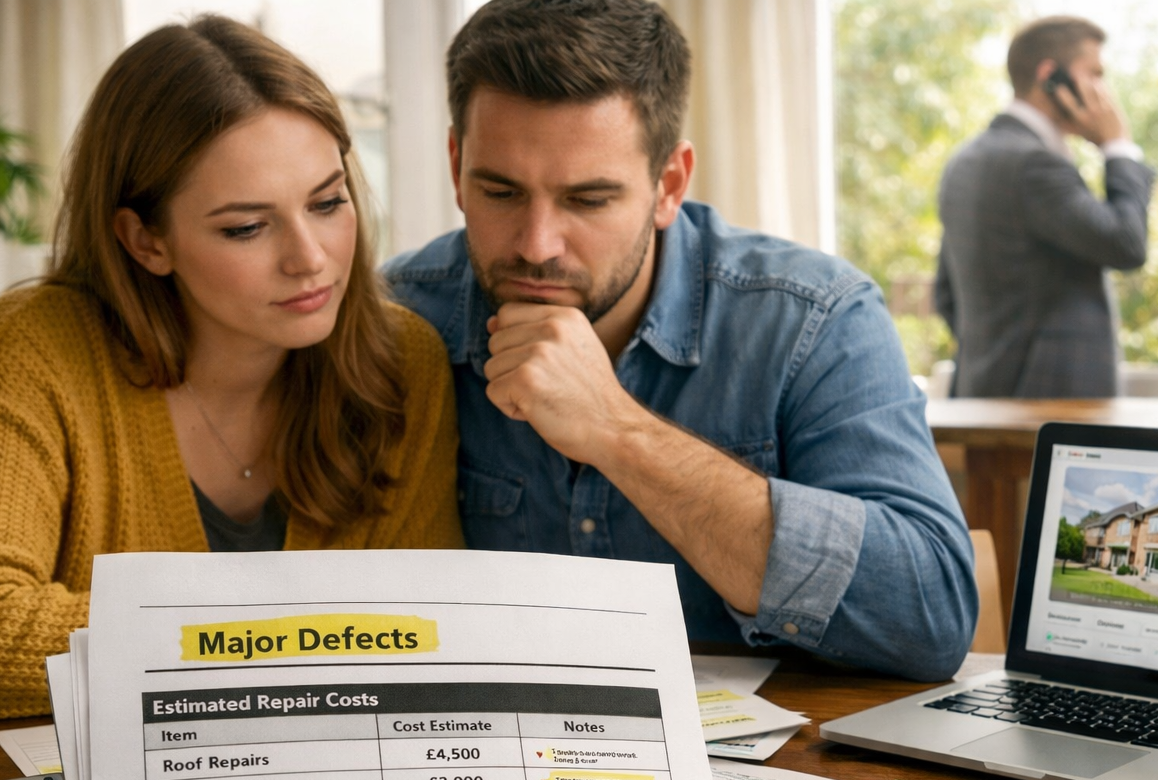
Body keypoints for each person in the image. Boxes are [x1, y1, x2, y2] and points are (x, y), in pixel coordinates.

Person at [385, 0, 977, 681]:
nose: (536, 245)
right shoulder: (394, 321)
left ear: (668, 185)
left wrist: (619, 430)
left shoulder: (813, 319)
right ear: (457, 164)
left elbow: (930, 616)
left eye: (588, 200)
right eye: (500, 192)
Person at [0, 16, 462, 720]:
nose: (311, 257)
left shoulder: (402, 360)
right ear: (145, 240)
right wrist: (292, 633)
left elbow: (432, 635)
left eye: (327, 203)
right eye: (246, 227)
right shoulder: (32, 347)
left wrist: (184, 640)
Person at [935, 15, 1155, 398]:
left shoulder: (964, 161)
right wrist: (1117, 147)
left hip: (980, 399)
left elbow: (945, 293)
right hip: (1045, 411)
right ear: (1050, 75)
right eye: (1095, 74)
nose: (1104, 91)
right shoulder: (1034, 165)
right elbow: (1126, 243)